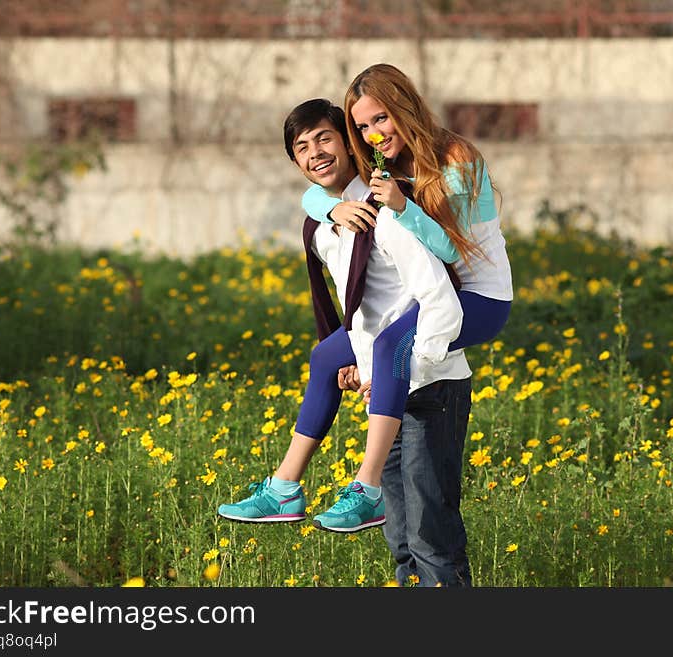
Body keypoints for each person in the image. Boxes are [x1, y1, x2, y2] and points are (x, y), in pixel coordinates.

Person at [218, 98, 475, 585]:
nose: (314, 151)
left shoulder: (387, 206)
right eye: (301, 146)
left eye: (324, 138)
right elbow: (350, 307)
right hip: (385, 386)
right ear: (294, 162)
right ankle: (286, 486)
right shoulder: (324, 220)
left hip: (428, 381)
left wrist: (385, 363)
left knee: (430, 541)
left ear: (351, 144)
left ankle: (362, 485)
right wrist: (358, 361)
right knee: (402, 545)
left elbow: (434, 293)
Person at [297, 62, 513, 496]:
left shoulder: (457, 159)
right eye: (362, 127)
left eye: (381, 118)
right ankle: (285, 486)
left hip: (480, 298)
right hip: (432, 297)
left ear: (405, 107)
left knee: (390, 346)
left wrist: (402, 206)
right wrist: (331, 210)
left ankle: (367, 486)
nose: (375, 134)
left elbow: (453, 250)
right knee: (325, 358)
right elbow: (313, 188)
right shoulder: (382, 161)